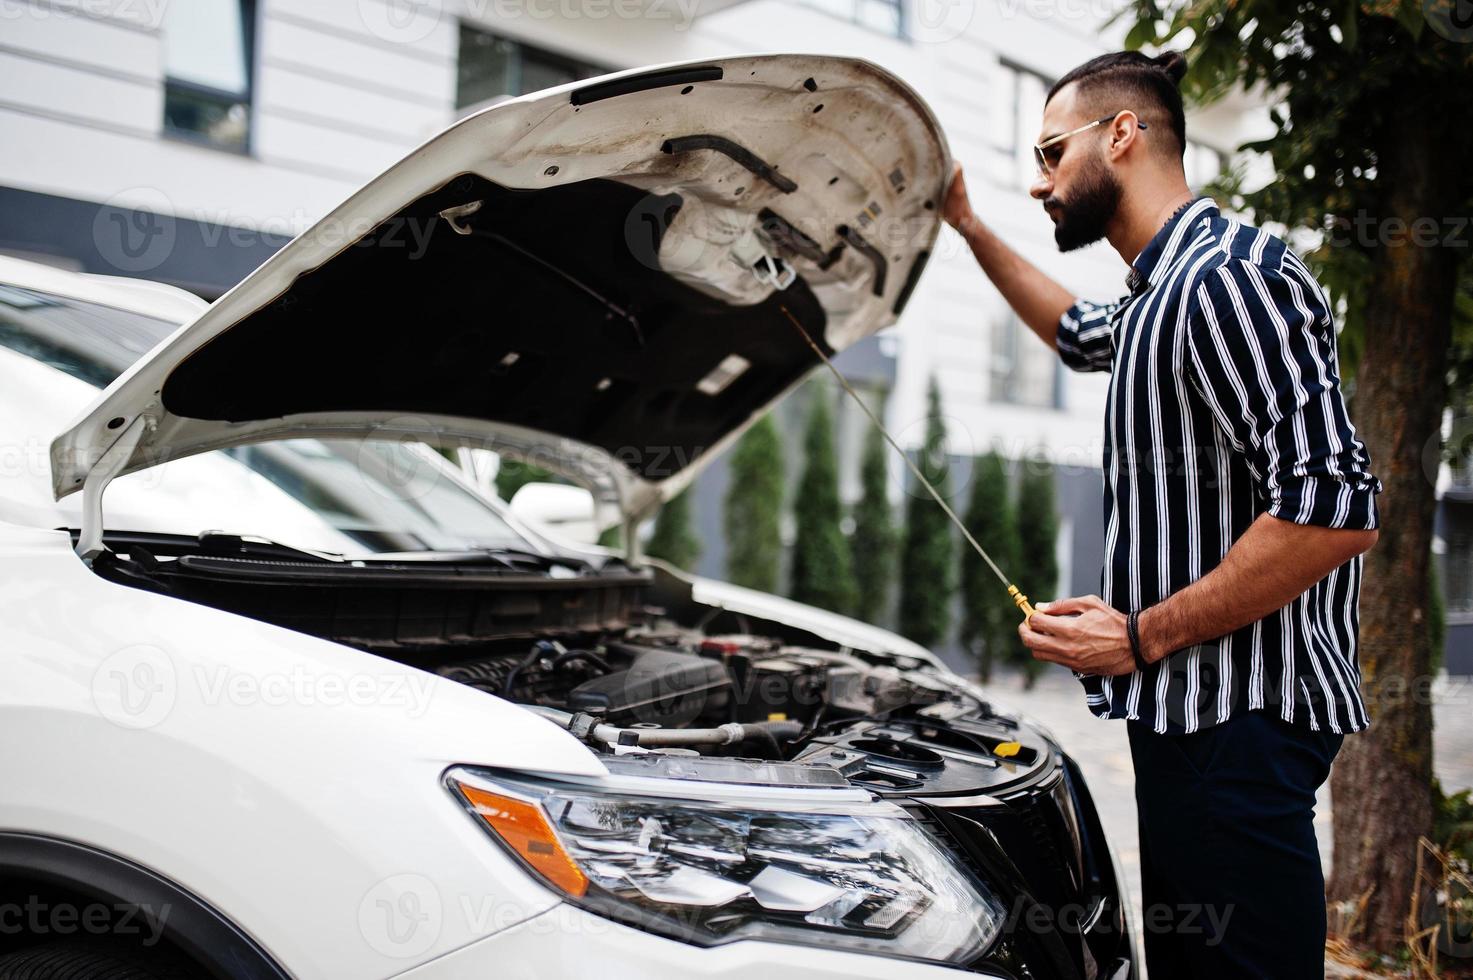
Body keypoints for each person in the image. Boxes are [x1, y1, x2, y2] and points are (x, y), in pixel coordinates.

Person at [942, 50, 1381, 978]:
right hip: (1192, 725)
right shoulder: (1154, 299)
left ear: (1122, 134)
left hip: (1240, 729)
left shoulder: (1226, 279)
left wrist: (1137, 636)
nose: (1040, 180)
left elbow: (1333, 510)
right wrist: (967, 225)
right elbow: (1071, 331)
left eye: (1051, 152)